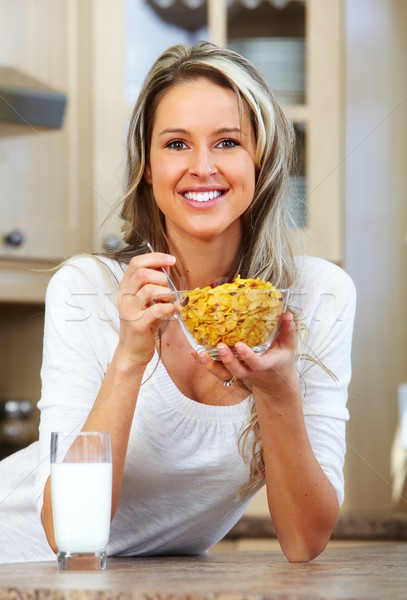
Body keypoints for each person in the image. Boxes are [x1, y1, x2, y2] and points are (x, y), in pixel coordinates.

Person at [0, 41, 356, 563]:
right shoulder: (87, 289)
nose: (202, 167)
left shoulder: (319, 295)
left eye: (228, 142)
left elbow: (304, 542)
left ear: (261, 157)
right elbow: (70, 535)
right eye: (176, 144)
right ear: (147, 166)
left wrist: (279, 394)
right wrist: (129, 359)